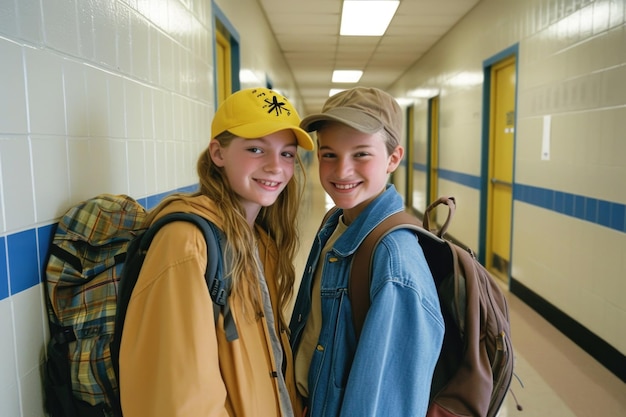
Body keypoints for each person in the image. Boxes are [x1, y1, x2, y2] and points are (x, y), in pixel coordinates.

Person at [118, 87, 314, 417]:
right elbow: (179, 398)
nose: (275, 167)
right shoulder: (186, 242)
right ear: (218, 153)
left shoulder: (258, 242)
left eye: (287, 154)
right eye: (256, 149)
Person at [289, 87, 445, 416]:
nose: (342, 171)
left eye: (361, 154)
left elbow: (385, 405)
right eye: (329, 154)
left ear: (393, 158)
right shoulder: (335, 223)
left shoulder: (394, 262)